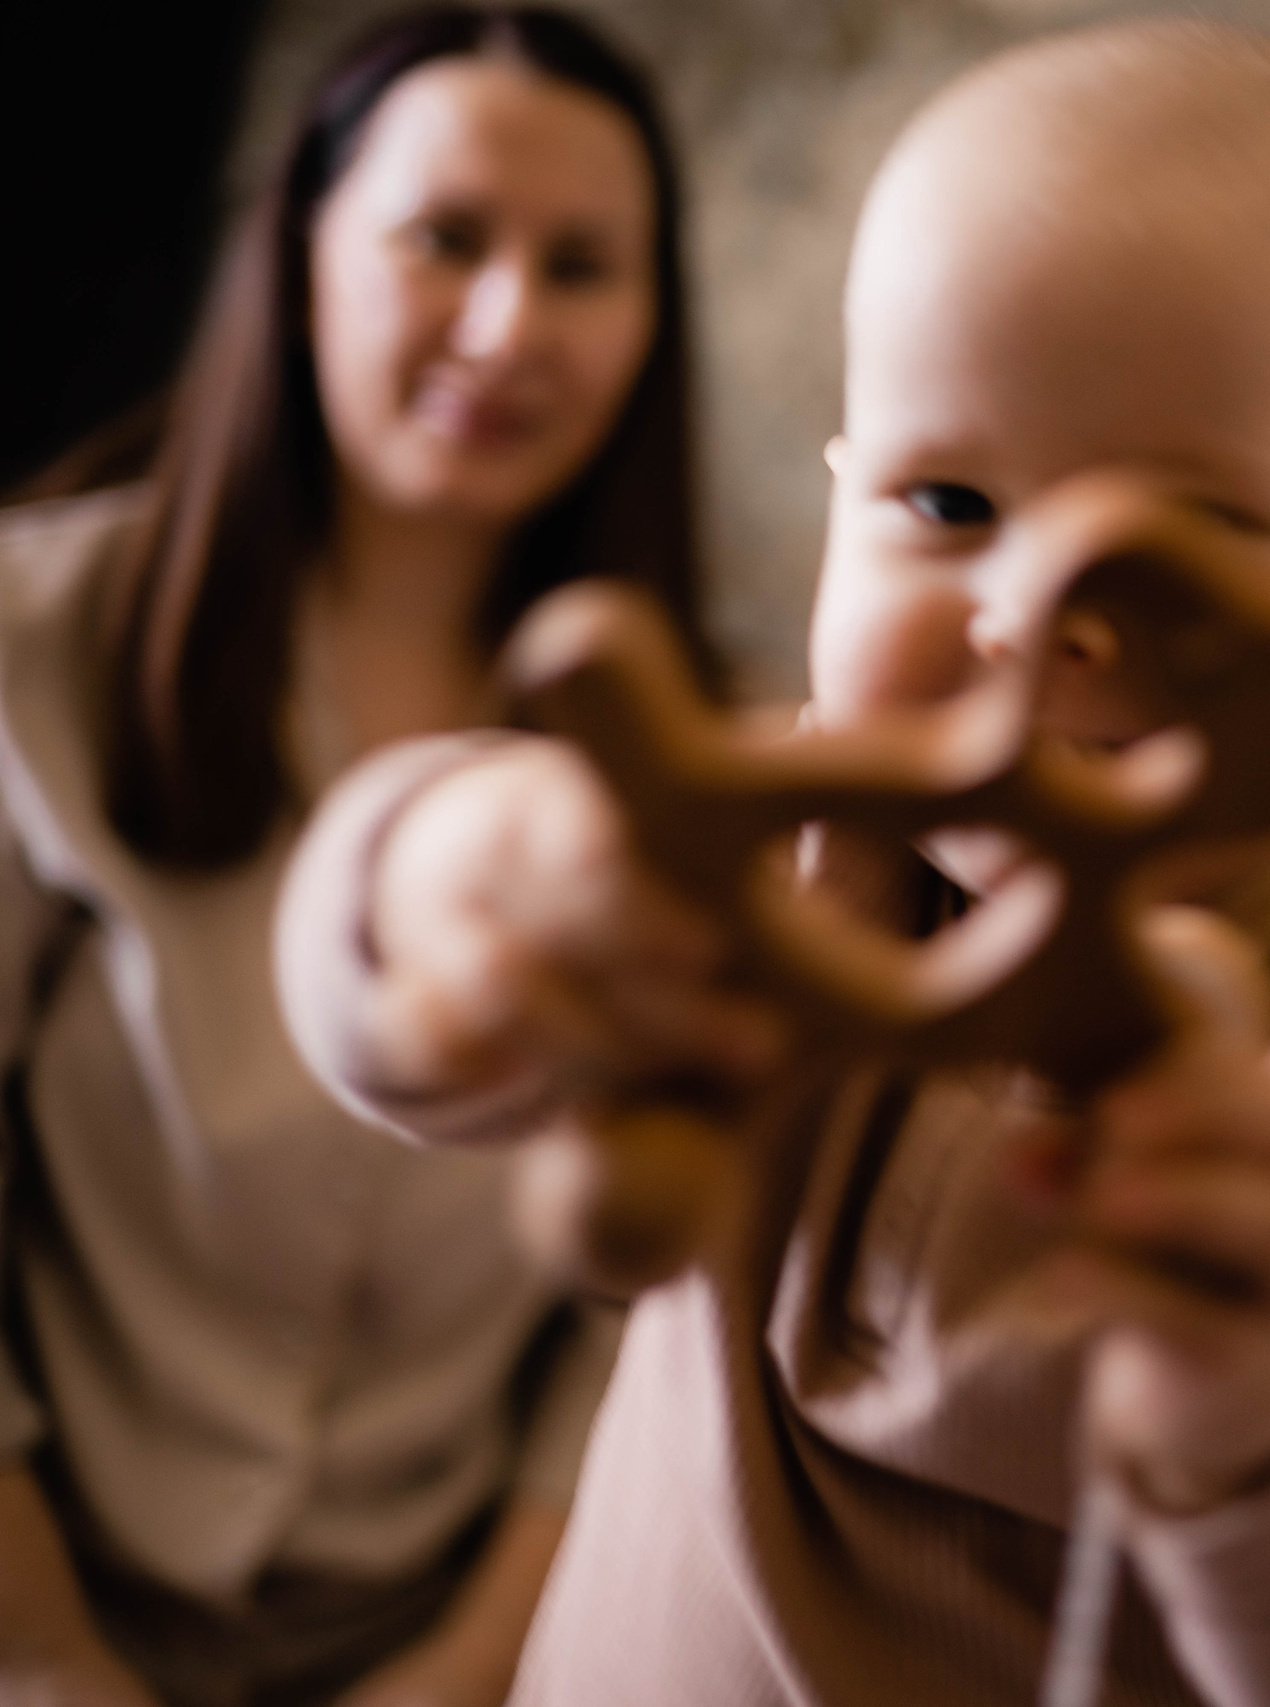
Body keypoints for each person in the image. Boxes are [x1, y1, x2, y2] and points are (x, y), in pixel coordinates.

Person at [276, 18, 1270, 1707]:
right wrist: (455, 878)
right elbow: (360, 992)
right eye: (950, 503)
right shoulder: (782, 853)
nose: (1033, 620)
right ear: (839, 505)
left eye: (1188, 539)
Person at [0, 8, 719, 1704]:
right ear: (301, 248)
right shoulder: (31, 641)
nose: (506, 324)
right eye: (446, 238)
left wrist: (471, 1676)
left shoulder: (706, 757)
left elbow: (645, 1324)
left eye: (583, 267)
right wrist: (45, 1666)